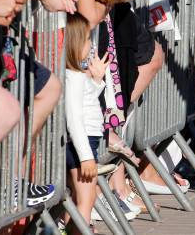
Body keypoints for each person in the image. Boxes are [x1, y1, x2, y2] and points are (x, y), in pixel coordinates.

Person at [63, 12, 109, 235]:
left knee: (81, 196)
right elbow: (74, 119)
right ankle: (81, 230)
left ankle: (75, 229)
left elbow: (87, 100)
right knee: (86, 197)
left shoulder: (77, 75)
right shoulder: (71, 77)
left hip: (86, 141)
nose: (91, 45)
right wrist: (86, 156)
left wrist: (97, 81)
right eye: (88, 40)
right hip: (82, 144)